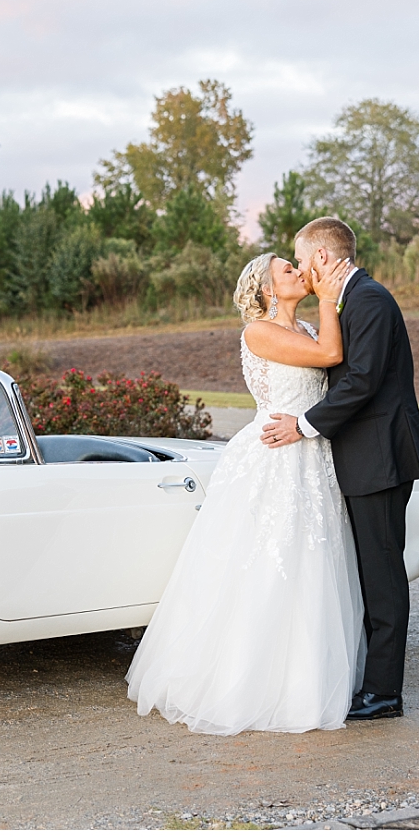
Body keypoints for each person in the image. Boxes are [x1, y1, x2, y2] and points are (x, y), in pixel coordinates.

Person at [126, 249, 363, 734]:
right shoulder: (259, 331)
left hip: (311, 457)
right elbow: (329, 357)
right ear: (267, 291)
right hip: (273, 458)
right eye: (288, 269)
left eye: (297, 266)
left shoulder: (307, 329)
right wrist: (329, 294)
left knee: (311, 564)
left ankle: (306, 681)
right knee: (264, 563)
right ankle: (244, 684)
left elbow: (328, 365)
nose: (299, 272)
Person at [262, 216, 419, 722]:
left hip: (378, 459)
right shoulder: (347, 301)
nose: (303, 271)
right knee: (368, 575)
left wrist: (304, 426)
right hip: (362, 458)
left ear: (323, 258)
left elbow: (361, 382)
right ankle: (369, 682)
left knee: (383, 579)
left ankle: (384, 694)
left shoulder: (369, 300)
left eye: (303, 260)